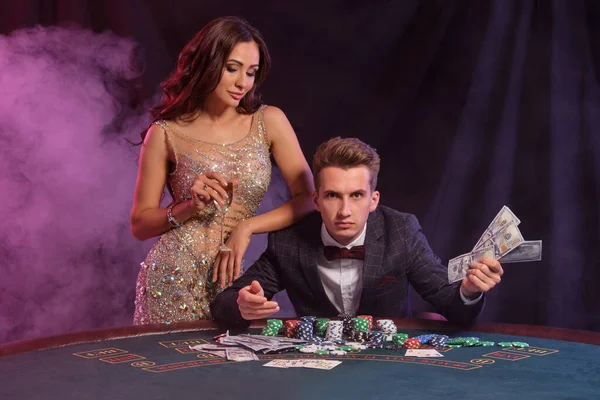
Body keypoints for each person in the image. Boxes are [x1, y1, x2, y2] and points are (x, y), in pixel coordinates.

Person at [130, 16, 314, 324]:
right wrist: (189, 206)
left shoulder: (269, 121)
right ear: (208, 63)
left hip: (233, 282)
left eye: (252, 72)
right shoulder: (165, 132)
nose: (243, 82)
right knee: (170, 370)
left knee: (231, 369)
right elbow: (139, 225)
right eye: (232, 68)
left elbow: (308, 198)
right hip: (173, 279)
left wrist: (247, 227)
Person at [211, 137, 504, 327]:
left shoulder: (401, 232)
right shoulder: (289, 241)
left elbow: (451, 302)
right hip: (317, 372)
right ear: (316, 200)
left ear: (373, 200)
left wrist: (469, 291)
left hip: (387, 366)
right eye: (332, 196)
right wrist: (241, 305)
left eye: (356, 196)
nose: (344, 211)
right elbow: (224, 303)